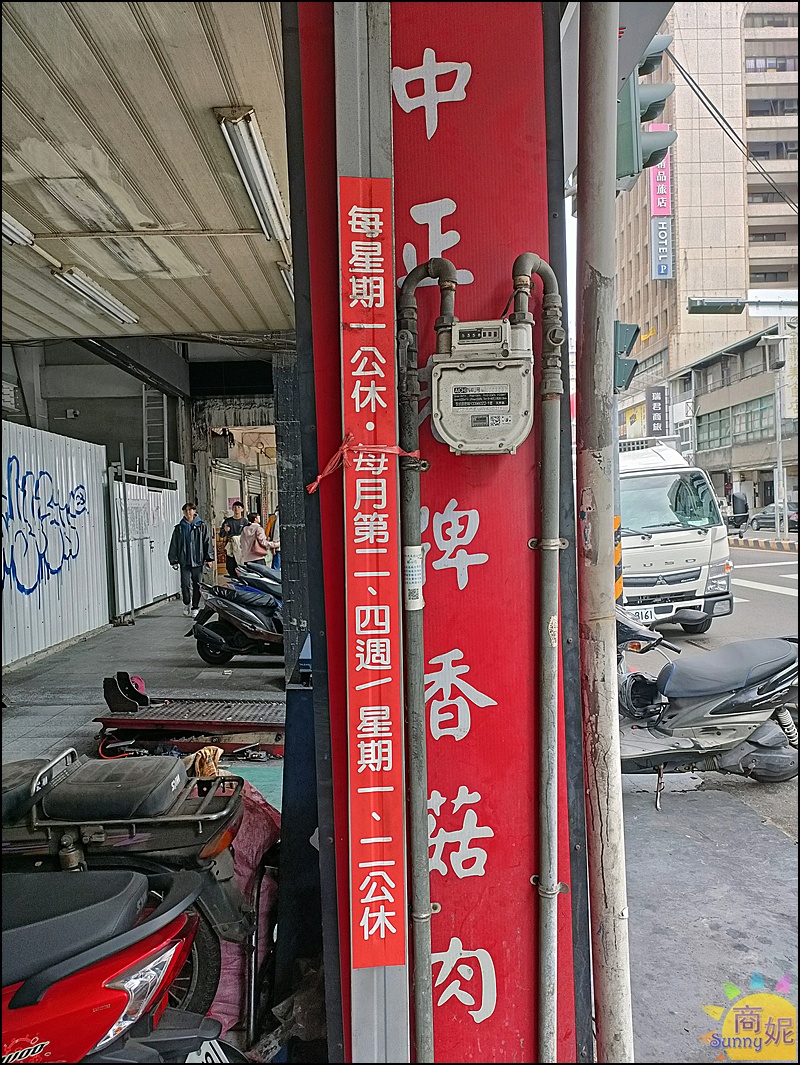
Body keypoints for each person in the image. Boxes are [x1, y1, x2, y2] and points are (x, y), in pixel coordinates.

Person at [168, 503, 214, 617]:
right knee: (185, 584)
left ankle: (195, 607)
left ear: (194, 511)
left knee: (197, 584)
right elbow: (174, 544)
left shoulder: (202, 526)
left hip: (198, 560)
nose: (188, 512)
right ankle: (187, 602)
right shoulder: (179, 528)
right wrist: (173, 560)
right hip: (184, 561)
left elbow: (207, 542)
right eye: (185, 511)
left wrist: (209, 558)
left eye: (190, 510)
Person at [219, 501, 249, 579]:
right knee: (230, 566)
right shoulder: (228, 521)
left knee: (242, 566)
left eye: (239, 507)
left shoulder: (245, 521)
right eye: (235, 507)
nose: (236, 509)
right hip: (231, 548)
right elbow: (221, 535)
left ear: (242, 509)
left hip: (241, 548)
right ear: (232, 509)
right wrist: (225, 530)